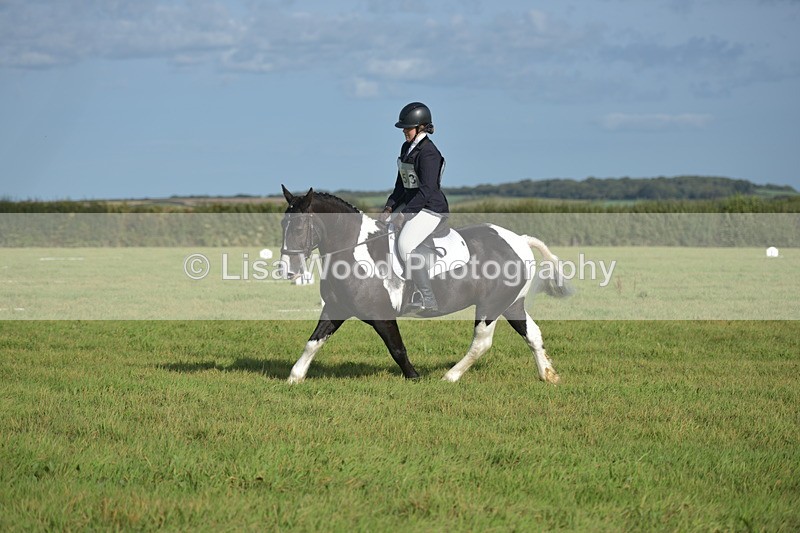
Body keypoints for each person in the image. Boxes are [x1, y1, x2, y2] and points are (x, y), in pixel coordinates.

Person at [380, 102, 449, 315]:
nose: (403, 131)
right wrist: (389, 207)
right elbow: (401, 184)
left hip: (430, 208)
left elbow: (427, 190)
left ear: (420, 127)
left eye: (407, 128)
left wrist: (404, 215)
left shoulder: (429, 153)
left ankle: (427, 298)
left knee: (406, 244)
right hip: (411, 204)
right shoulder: (406, 149)